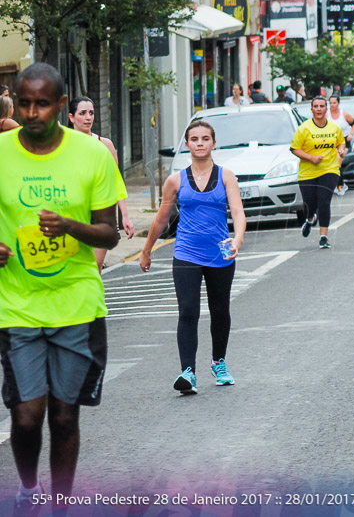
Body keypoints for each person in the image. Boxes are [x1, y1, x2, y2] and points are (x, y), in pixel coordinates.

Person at [0, 64, 126, 507]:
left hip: (77, 305)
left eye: (43, 103)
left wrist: (70, 226)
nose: (32, 112)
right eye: (24, 103)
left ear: (62, 105)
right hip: (16, 305)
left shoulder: (91, 155)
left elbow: (109, 233)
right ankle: (29, 488)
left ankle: (62, 502)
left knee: (65, 417)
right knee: (28, 416)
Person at [140, 120, 245, 393]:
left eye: (205, 138)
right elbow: (162, 219)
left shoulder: (226, 176)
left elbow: (238, 212)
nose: (200, 143)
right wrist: (147, 250)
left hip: (220, 253)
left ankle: (218, 362)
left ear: (213, 143)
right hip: (186, 252)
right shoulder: (175, 180)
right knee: (188, 311)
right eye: (195, 139)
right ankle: (188, 372)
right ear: (187, 145)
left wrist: (238, 238)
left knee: (219, 310)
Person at [67, 96, 136, 268]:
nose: (88, 117)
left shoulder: (105, 145)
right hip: (73, 213)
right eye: (82, 113)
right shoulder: (62, 146)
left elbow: (115, 181)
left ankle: (95, 296)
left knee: (95, 264)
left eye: (91, 113)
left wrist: (125, 215)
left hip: (100, 214)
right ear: (71, 117)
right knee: (74, 265)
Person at [291, 96, 345, 249]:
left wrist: (340, 149)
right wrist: (311, 158)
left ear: (326, 109)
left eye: (322, 106)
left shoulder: (334, 128)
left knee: (324, 202)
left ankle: (323, 237)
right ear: (312, 109)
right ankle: (309, 219)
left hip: (329, 169)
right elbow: (294, 148)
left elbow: (341, 142)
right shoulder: (304, 128)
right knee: (309, 204)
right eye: (316, 106)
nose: (319, 109)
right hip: (308, 172)